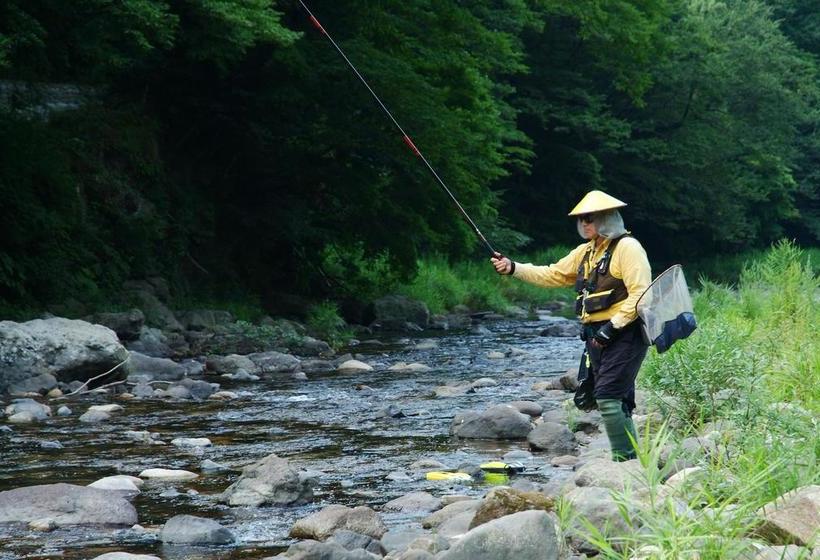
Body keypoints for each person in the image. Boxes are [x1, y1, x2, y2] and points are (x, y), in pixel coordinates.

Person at [491, 190, 651, 461]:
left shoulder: (628, 248)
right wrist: (513, 267)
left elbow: (641, 293)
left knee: (608, 397)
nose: (584, 224)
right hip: (595, 337)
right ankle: (634, 461)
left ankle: (624, 461)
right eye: (581, 219)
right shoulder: (585, 252)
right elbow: (553, 274)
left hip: (625, 333)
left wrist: (611, 328)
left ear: (606, 218)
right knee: (618, 399)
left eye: (589, 218)